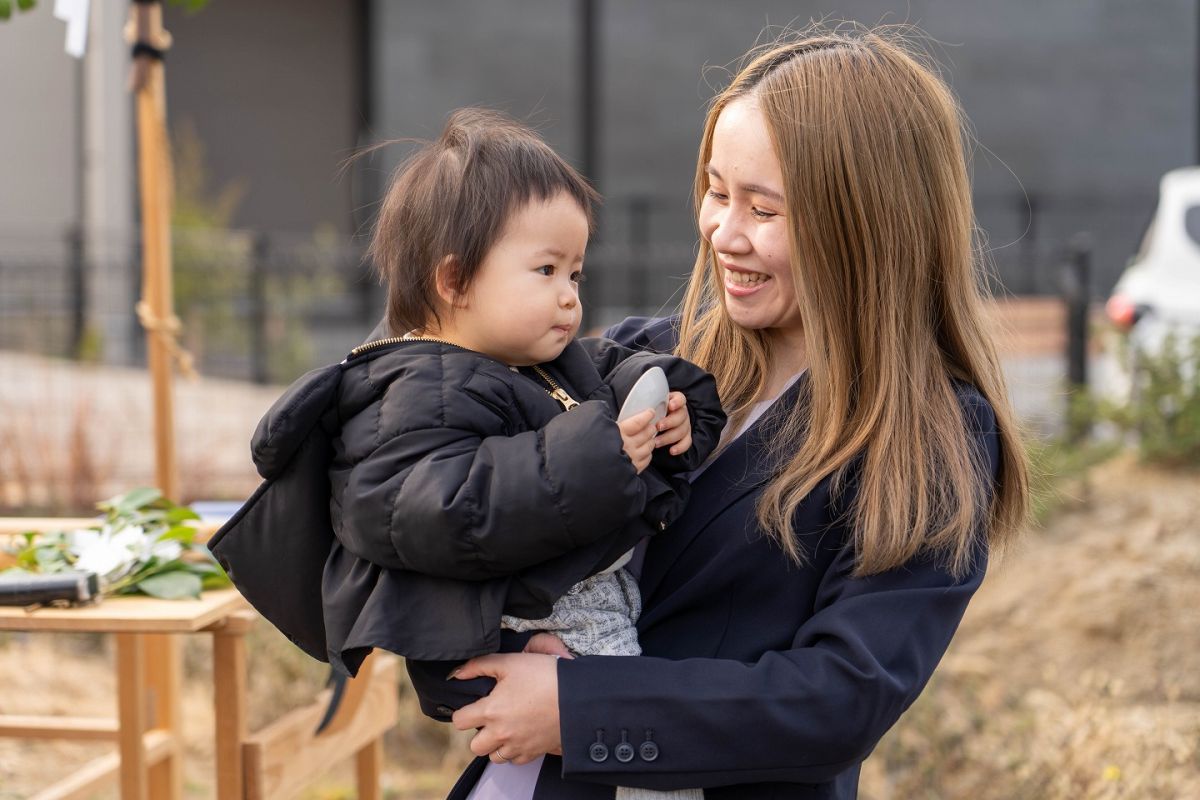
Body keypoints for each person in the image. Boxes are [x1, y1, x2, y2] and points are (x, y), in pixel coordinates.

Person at [413, 26, 1030, 800]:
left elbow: (838, 699)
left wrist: (581, 711)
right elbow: (451, 524)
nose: (721, 232)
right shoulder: (638, 359)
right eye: (716, 191)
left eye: (764, 209)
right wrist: (464, 670)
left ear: (866, 228)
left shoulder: (934, 438)